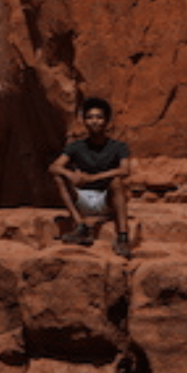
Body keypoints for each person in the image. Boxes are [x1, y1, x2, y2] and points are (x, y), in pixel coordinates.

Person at [51, 97, 132, 258]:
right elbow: (54, 166)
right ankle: (80, 227)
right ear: (84, 122)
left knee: (117, 182)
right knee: (59, 178)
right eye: (89, 117)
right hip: (81, 198)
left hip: (105, 200)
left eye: (99, 117)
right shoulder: (76, 146)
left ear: (107, 121)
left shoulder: (118, 147)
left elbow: (125, 170)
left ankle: (122, 237)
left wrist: (93, 178)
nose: (94, 121)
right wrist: (71, 174)